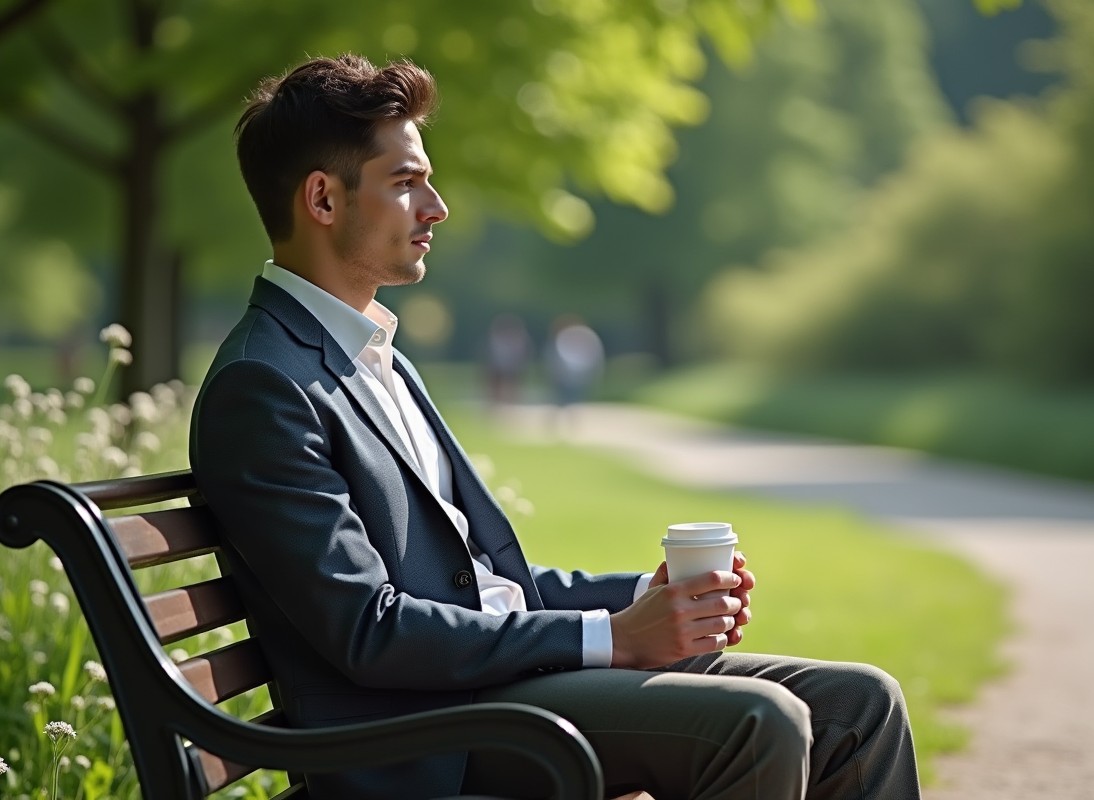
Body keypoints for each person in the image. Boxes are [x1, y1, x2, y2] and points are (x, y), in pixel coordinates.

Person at [190, 54, 922, 800]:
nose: (436, 207)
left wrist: (649, 597)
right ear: (322, 198)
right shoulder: (266, 385)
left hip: (497, 693)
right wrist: (614, 637)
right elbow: (369, 630)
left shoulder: (375, 355)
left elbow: (483, 585)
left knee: (861, 705)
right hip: (424, 736)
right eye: (406, 183)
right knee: (759, 720)